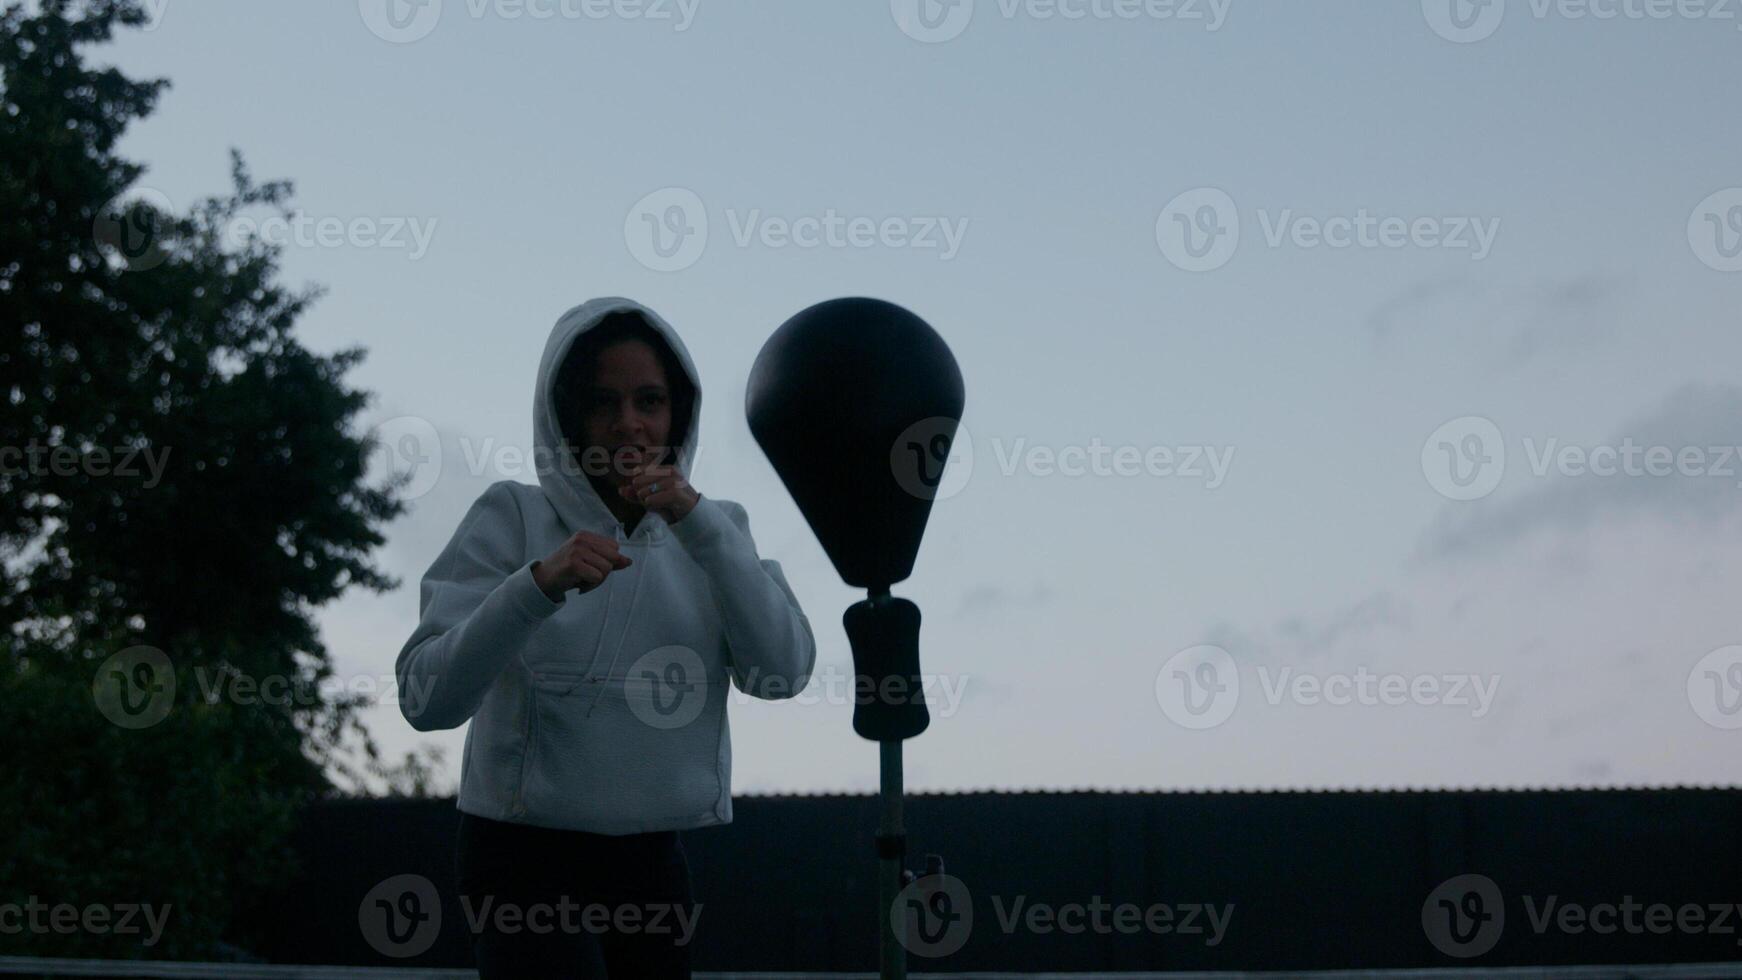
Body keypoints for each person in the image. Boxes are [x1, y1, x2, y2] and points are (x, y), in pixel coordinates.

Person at [395, 297, 818, 978]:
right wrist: (534, 587)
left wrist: (701, 526)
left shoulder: (719, 530)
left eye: (649, 401)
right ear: (566, 417)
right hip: (519, 852)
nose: (629, 424)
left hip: (651, 854)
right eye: (603, 403)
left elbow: (784, 673)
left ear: (677, 413)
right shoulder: (511, 516)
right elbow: (425, 699)